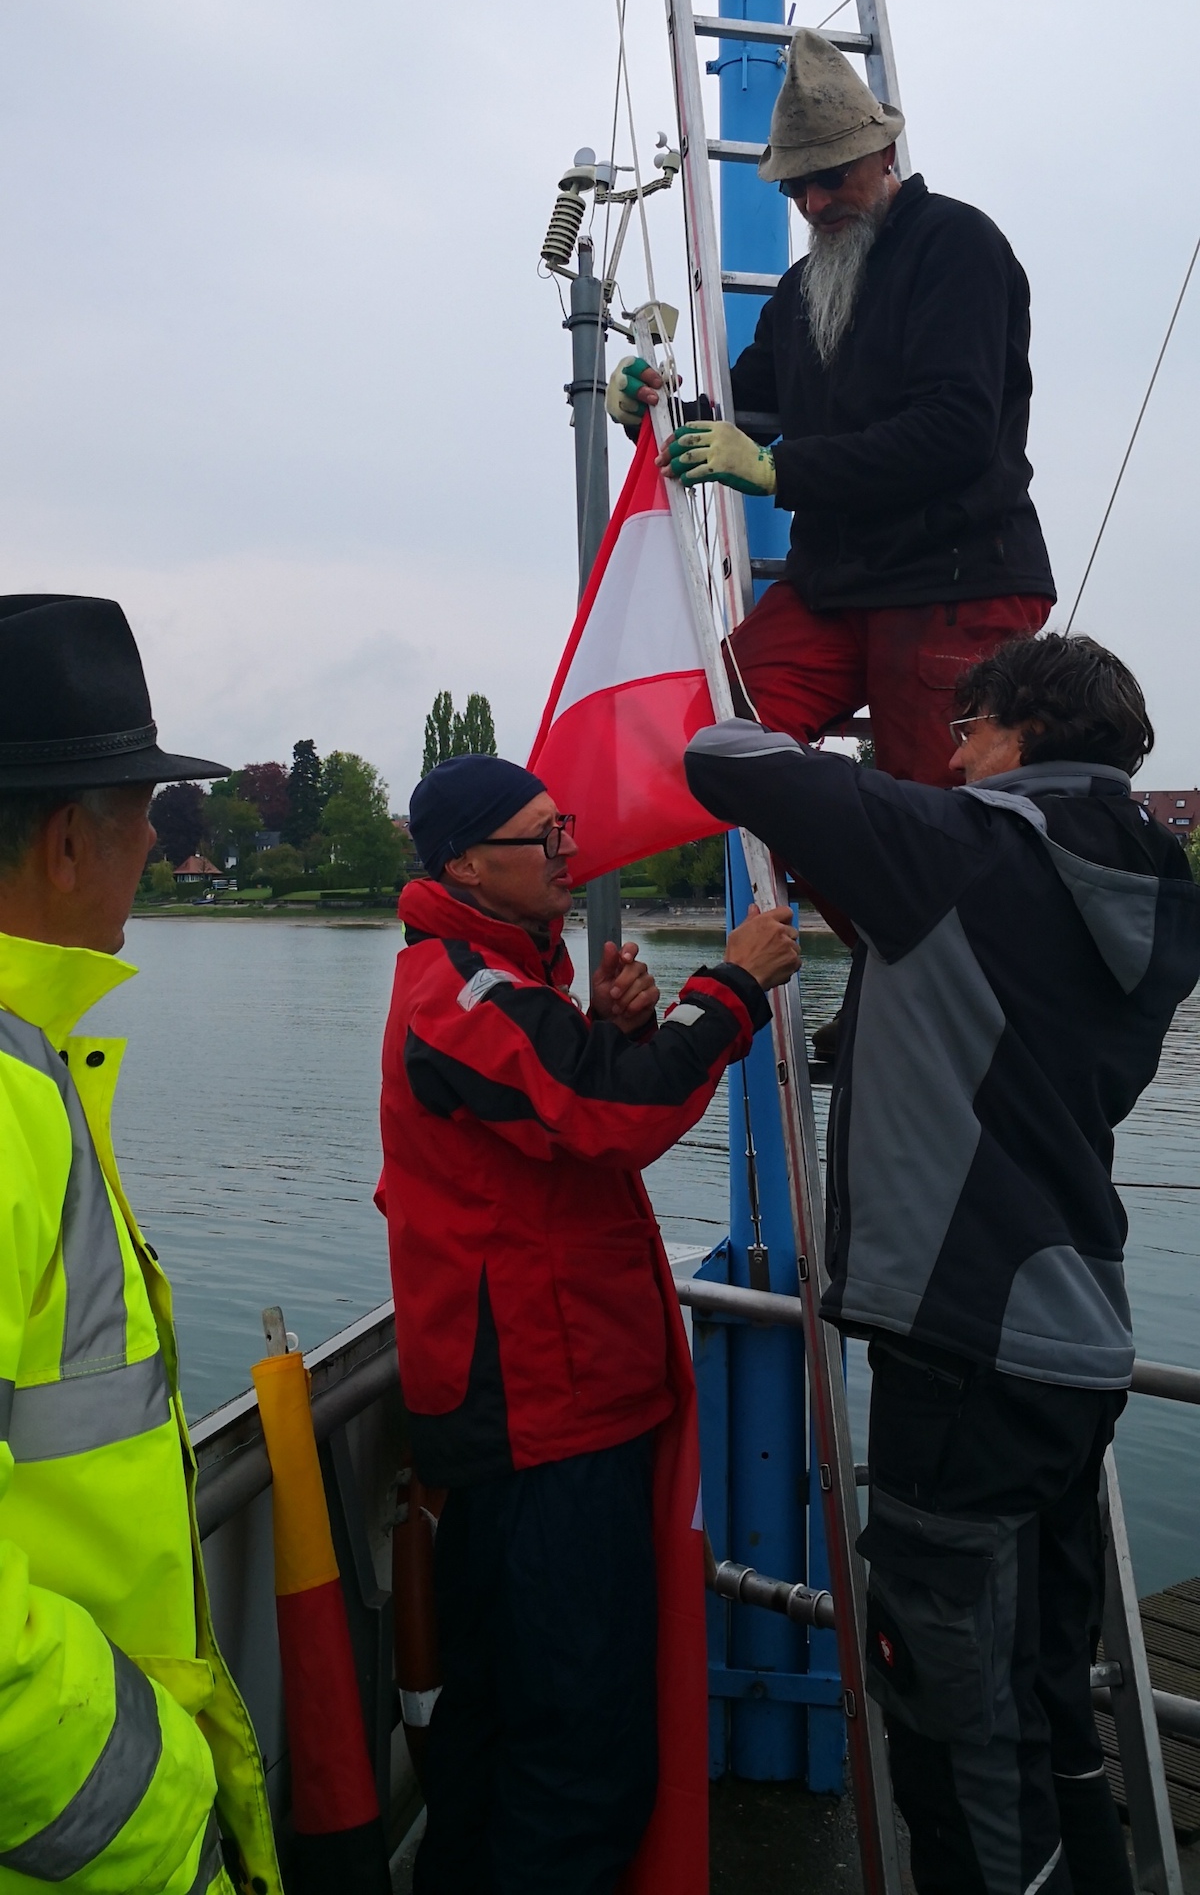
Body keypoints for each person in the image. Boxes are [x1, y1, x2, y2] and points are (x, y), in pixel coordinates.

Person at [682, 632, 1200, 1895]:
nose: (950, 758)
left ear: (1024, 731)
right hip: (1073, 1336)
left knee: (956, 1725)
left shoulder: (964, 851)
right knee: (1046, 1705)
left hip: (965, 1347)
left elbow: (720, 754)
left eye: (965, 732)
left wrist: (833, 737)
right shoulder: (1148, 878)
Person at [378, 752, 800, 1895]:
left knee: (500, 1726)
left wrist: (610, 1027)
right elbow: (609, 1114)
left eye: (563, 827)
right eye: (545, 836)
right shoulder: (461, 995)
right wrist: (734, 986)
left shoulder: (495, 984)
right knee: (580, 1753)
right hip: (542, 1422)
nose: (571, 852)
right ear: (468, 866)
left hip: (534, 1412)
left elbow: (560, 1113)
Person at [0, 595, 279, 1895]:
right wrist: (160, 1804)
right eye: (142, 815)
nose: (157, 847)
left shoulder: (36, 1068)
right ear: (67, 841)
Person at [608, 27, 1056, 790]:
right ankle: (837, 857)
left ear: (885, 155)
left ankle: (867, 862)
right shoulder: (798, 293)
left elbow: (956, 430)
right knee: (715, 736)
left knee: (941, 810)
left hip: (955, 581)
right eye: (796, 188)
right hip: (836, 586)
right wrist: (649, 408)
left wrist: (777, 469)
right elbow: (737, 415)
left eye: (830, 176)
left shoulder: (957, 245)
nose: (814, 202)